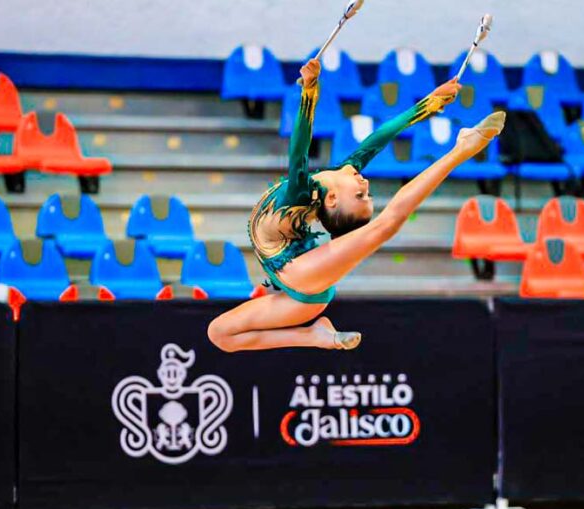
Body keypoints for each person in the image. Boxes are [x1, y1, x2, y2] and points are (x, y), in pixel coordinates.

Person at [208, 58, 505, 352]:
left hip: (301, 277)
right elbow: (382, 135)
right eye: (367, 194)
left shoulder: (300, 194)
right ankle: (313, 335)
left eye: (360, 196)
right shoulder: (346, 171)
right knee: (219, 334)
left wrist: (309, 89)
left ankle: (462, 149)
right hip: (292, 288)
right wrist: (430, 103)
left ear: (333, 200)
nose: (366, 184)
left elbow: (299, 148)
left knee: (385, 226)